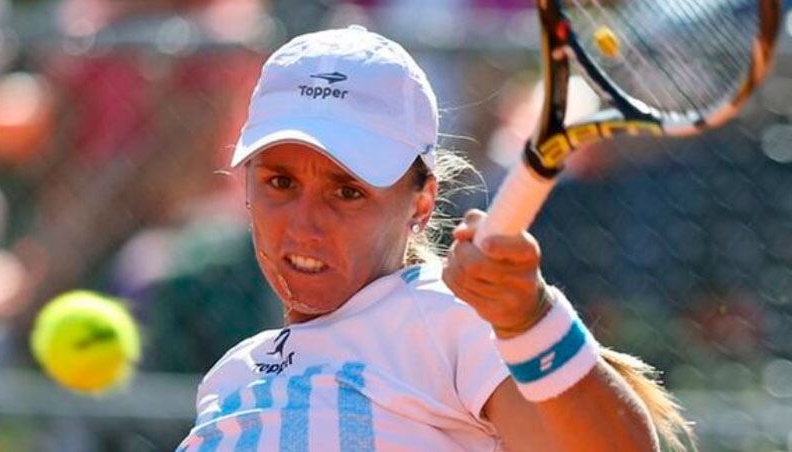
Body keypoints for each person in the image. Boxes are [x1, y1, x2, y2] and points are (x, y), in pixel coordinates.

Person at [178, 25, 692, 451]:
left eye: (348, 191)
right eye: (280, 182)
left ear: (421, 204)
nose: (304, 224)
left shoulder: (447, 318)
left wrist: (530, 319)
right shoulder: (230, 377)